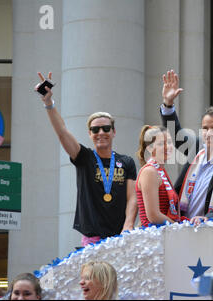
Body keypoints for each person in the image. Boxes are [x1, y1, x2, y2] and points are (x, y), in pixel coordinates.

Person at [35, 72, 138, 247]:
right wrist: (49, 103)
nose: (101, 133)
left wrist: (128, 225)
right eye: (95, 130)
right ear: (89, 134)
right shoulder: (84, 157)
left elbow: (133, 197)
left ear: (114, 132)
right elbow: (62, 133)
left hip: (121, 238)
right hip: (92, 240)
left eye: (106, 128)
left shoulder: (126, 161)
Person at [159, 70, 213, 224]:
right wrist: (168, 104)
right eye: (205, 128)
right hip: (182, 225)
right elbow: (175, 132)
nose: (209, 133)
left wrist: (209, 218)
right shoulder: (196, 147)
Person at [135, 125, 188, 226]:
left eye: (168, 142)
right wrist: (178, 228)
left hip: (164, 234)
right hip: (152, 237)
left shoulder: (159, 171)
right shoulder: (149, 172)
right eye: (161, 143)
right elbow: (153, 215)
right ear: (150, 148)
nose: (167, 147)